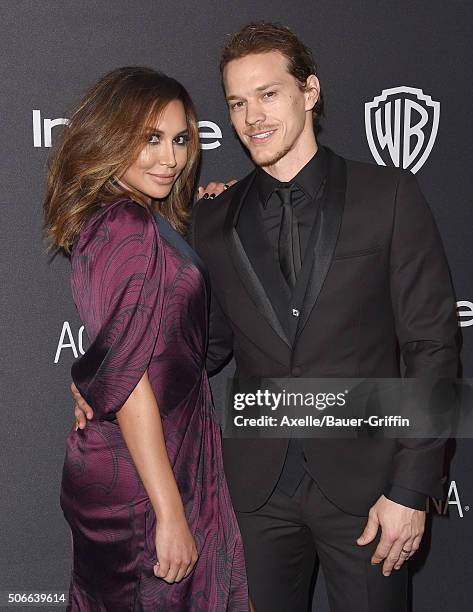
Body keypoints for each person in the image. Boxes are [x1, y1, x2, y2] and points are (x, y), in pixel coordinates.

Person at [73, 23, 459, 612]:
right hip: (252, 493)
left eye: (268, 94)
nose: (251, 116)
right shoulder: (211, 219)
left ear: (310, 92)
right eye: (236, 103)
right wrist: (103, 378)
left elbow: (433, 347)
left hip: (369, 488)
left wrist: (410, 489)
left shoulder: (390, 196)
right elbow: (199, 346)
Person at [44, 66, 249, 611]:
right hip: (141, 480)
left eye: (180, 139)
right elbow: (131, 379)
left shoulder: (138, 218)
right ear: (112, 138)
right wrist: (170, 512)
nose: (171, 158)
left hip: (159, 455)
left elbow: (169, 345)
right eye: (151, 139)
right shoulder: (125, 226)